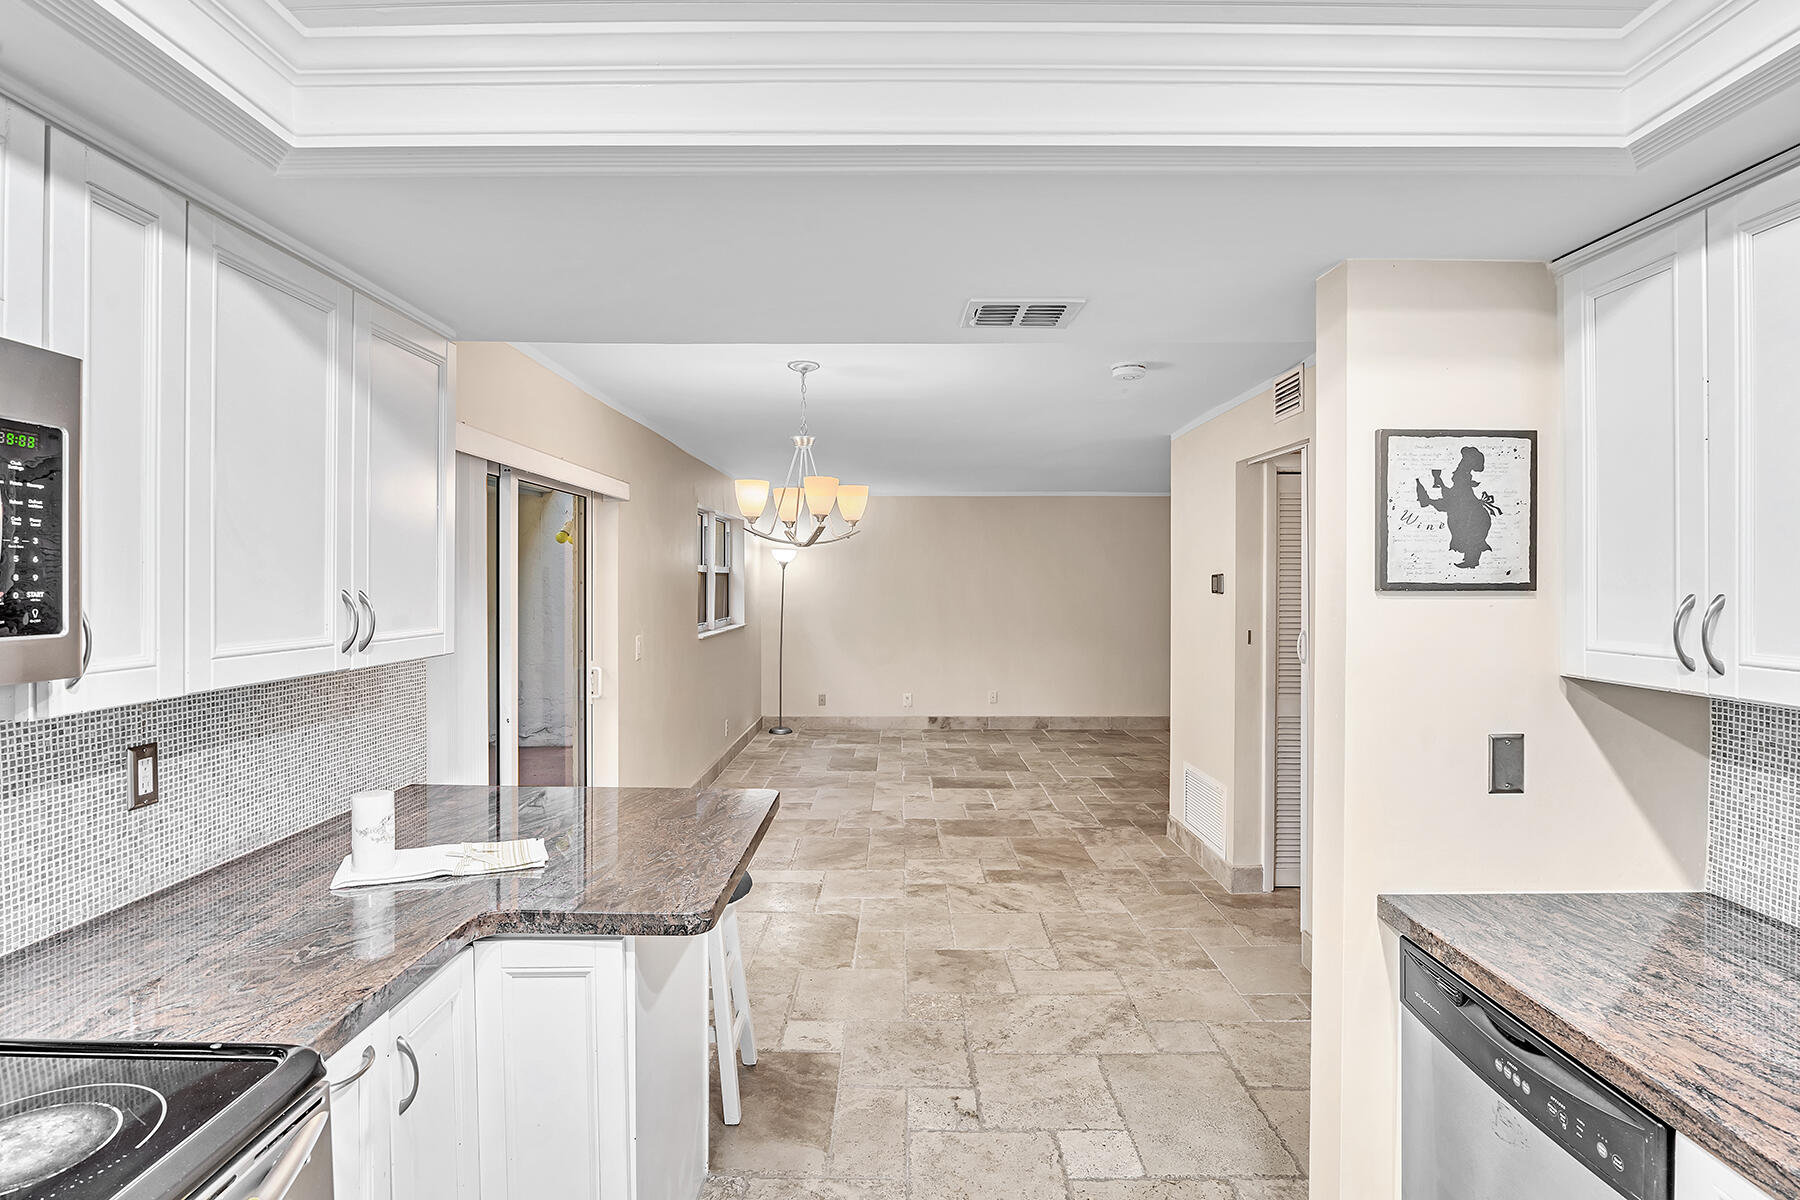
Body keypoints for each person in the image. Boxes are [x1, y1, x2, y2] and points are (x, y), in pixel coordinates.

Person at [1415, 446, 1502, 568]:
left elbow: (1450, 501)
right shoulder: (1462, 478)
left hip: (1472, 517)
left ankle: (1472, 561)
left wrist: (1431, 498)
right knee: (1470, 537)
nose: (1454, 473)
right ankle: (1472, 560)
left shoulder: (1462, 479)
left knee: (1471, 537)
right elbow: (1452, 498)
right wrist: (1439, 485)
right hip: (1472, 514)